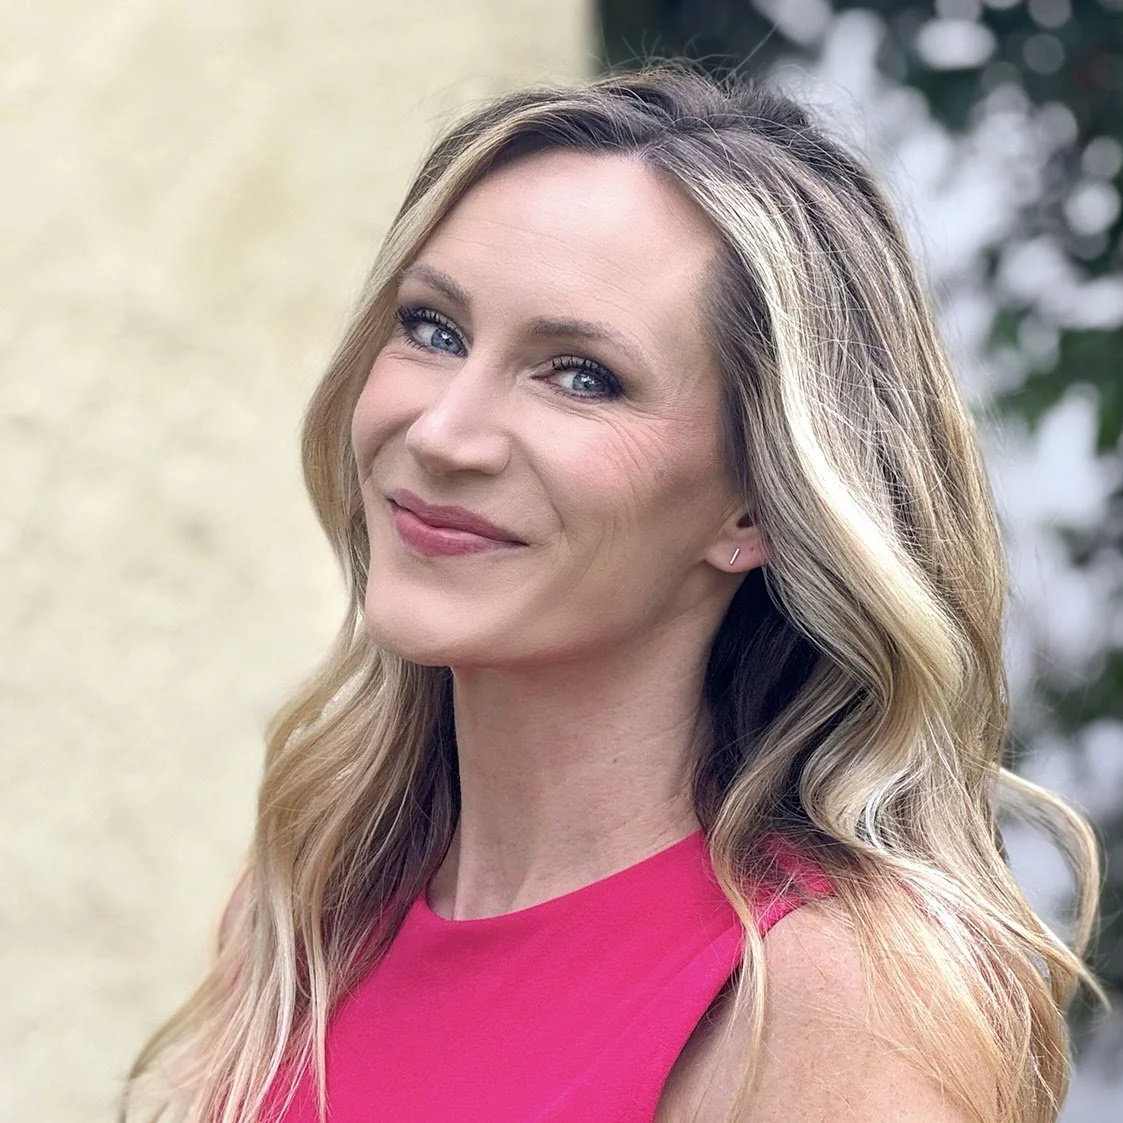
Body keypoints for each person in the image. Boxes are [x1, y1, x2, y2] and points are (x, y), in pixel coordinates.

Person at [124, 66, 1103, 1123]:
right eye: (432, 329)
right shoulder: (311, 908)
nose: (443, 433)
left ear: (755, 507)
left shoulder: (829, 1002)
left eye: (582, 375)